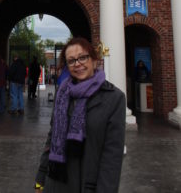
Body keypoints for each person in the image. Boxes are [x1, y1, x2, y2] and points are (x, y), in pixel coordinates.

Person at [34, 37, 126, 193]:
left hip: (88, 184)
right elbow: (51, 137)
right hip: (56, 181)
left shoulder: (114, 98)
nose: (77, 64)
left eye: (83, 57)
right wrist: (41, 176)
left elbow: (112, 156)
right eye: (71, 61)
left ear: (95, 60)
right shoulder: (63, 93)